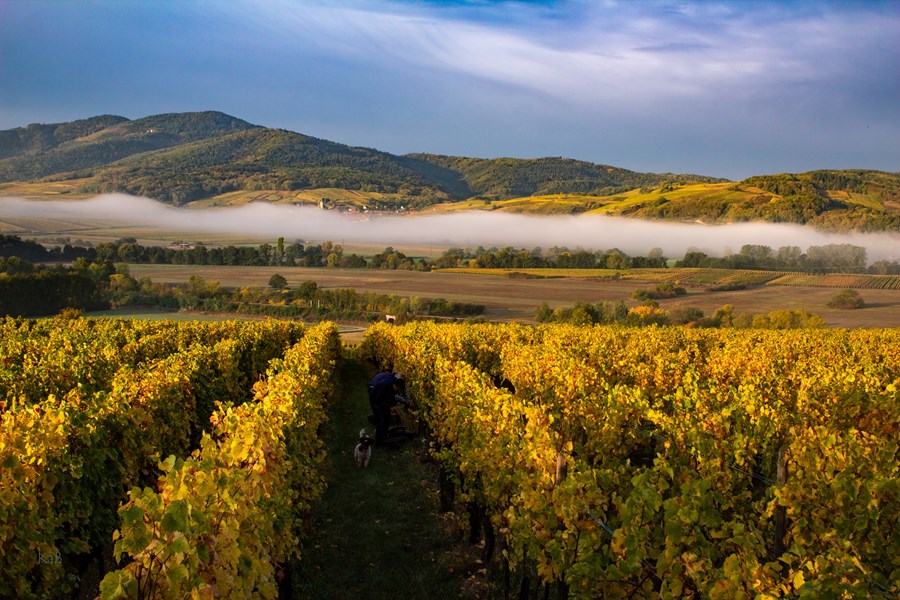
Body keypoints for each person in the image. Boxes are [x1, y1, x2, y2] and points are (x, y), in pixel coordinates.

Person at [368, 370, 410, 446]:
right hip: (375, 400)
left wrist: (393, 406)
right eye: (397, 389)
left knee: (387, 418)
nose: (397, 391)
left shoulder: (394, 385)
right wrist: (389, 407)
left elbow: (391, 398)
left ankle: (384, 437)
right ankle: (378, 443)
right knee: (380, 420)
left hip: (382, 400)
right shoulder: (384, 385)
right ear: (395, 385)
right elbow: (379, 400)